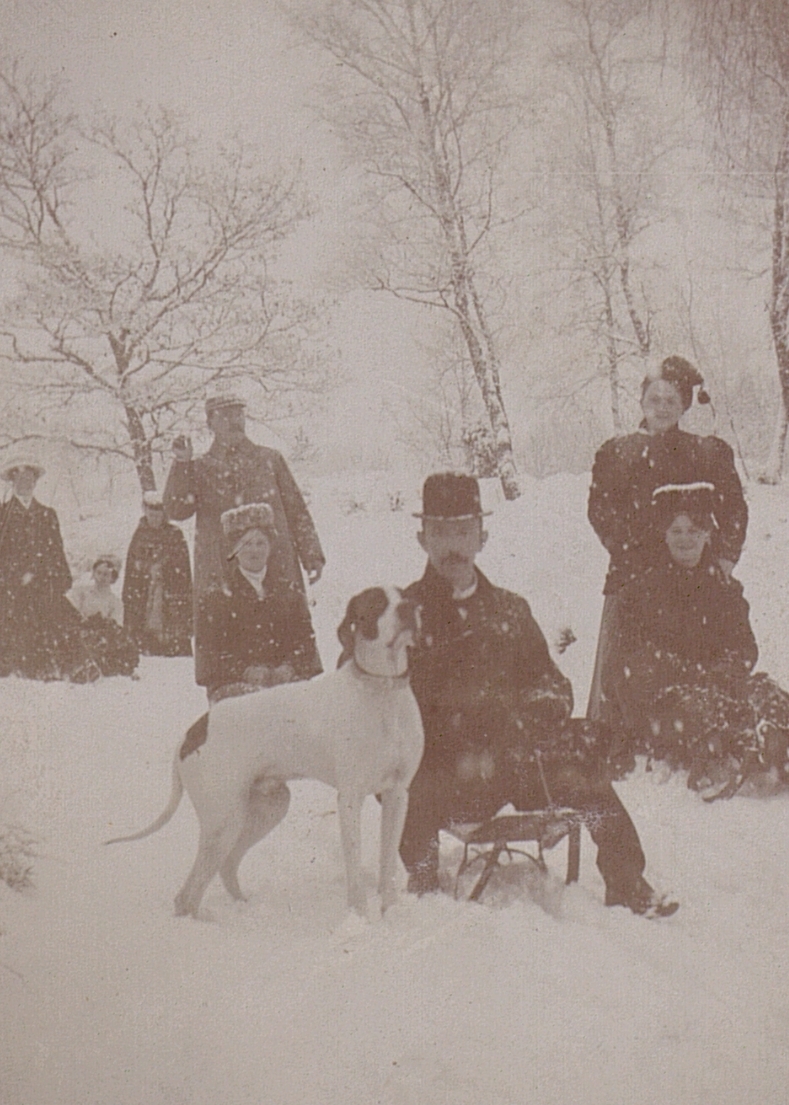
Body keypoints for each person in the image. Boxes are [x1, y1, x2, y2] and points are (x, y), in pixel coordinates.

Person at [399, 471, 678, 917]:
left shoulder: (509, 609)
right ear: (422, 538)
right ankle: (424, 882)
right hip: (440, 770)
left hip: (511, 761)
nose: (453, 544)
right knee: (405, 777)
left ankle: (626, 881)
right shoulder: (402, 612)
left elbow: (549, 683)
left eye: (464, 530)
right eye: (441, 531)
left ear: (482, 537)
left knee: (582, 758)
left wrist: (532, 719)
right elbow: (369, 696)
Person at [587, 355, 748, 723]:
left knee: (699, 658)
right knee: (625, 668)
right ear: (642, 401)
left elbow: (734, 508)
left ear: (684, 406)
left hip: (694, 575)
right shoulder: (616, 453)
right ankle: (614, 732)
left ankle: (697, 728)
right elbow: (600, 511)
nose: (662, 408)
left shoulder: (705, 452)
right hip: (633, 573)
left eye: (671, 401)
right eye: (655, 399)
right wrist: (632, 553)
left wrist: (724, 556)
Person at [608, 482, 789, 800]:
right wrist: (695, 678)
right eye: (676, 530)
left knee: (769, 695)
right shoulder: (640, 592)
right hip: (663, 702)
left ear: (708, 534)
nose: (685, 539)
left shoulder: (724, 588)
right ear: (663, 535)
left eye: (694, 530)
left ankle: (772, 748)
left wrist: (723, 673)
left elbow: (744, 648)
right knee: (701, 712)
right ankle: (732, 758)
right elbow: (634, 663)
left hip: (719, 686)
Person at [163, 392, 325, 680]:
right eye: (224, 415)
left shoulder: (270, 460)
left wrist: (311, 552)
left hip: (275, 567)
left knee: (289, 649)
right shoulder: (199, 468)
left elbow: (295, 508)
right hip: (223, 575)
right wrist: (182, 465)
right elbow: (176, 509)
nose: (234, 421)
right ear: (210, 422)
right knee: (228, 658)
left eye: (238, 414)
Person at [196, 502, 323, 702]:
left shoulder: (288, 592)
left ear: (270, 547)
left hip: (285, 683)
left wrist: (289, 667)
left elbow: (305, 642)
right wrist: (245, 671)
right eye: (246, 544)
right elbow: (211, 654)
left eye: (261, 543)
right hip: (234, 687)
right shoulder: (218, 598)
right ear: (234, 551)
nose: (254, 551)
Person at [0, 456, 94, 682]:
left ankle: (67, 666)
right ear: (13, 482)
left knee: (57, 618)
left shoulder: (47, 514)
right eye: (20, 478)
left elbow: (56, 550)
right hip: (10, 586)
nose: (25, 483)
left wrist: (58, 578)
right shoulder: (3, 515)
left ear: (35, 482)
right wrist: (14, 576)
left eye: (29, 478)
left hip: (43, 583)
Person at [122, 491, 193, 657]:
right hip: (144, 588)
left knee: (170, 620)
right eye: (151, 514)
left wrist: (164, 567)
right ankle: (145, 644)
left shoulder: (175, 534)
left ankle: (172, 645)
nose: (154, 518)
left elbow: (182, 566)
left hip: (169, 588)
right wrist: (145, 569)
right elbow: (132, 566)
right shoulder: (140, 534)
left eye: (158, 515)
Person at [69, 554, 139, 678]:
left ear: (113, 577)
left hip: (101, 637)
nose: (101, 577)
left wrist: (101, 625)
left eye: (106, 574)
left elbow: (116, 625)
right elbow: (72, 612)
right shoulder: (82, 592)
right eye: (99, 573)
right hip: (80, 631)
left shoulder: (115, 602)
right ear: (94, 574)